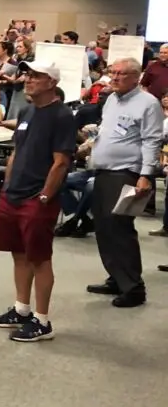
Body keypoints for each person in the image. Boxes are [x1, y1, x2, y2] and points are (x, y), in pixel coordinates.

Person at [0, 63, 76, 342]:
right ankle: (21, 309)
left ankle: (42, 321)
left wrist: (45, 196)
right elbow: (17, 152)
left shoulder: (62, 116)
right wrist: (7, 186)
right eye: (28, 75)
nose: (28, 80)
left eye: (36, 76)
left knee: (40, 258)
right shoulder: (26, 111)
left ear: (51, 82)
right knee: (19, 253)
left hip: (38, 198)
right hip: (14, 194)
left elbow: (61, 162)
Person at [84, 58, 162, 307]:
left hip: (127, 172)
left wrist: (146, 175)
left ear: (137, 77)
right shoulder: (111, 99)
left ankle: (134, 288)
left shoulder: (148, 103)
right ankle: (116, 277)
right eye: (112, 72)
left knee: (120, 230)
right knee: (104, 229)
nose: (114, 77)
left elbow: (152, 140)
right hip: (104, 171)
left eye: (121, 73)